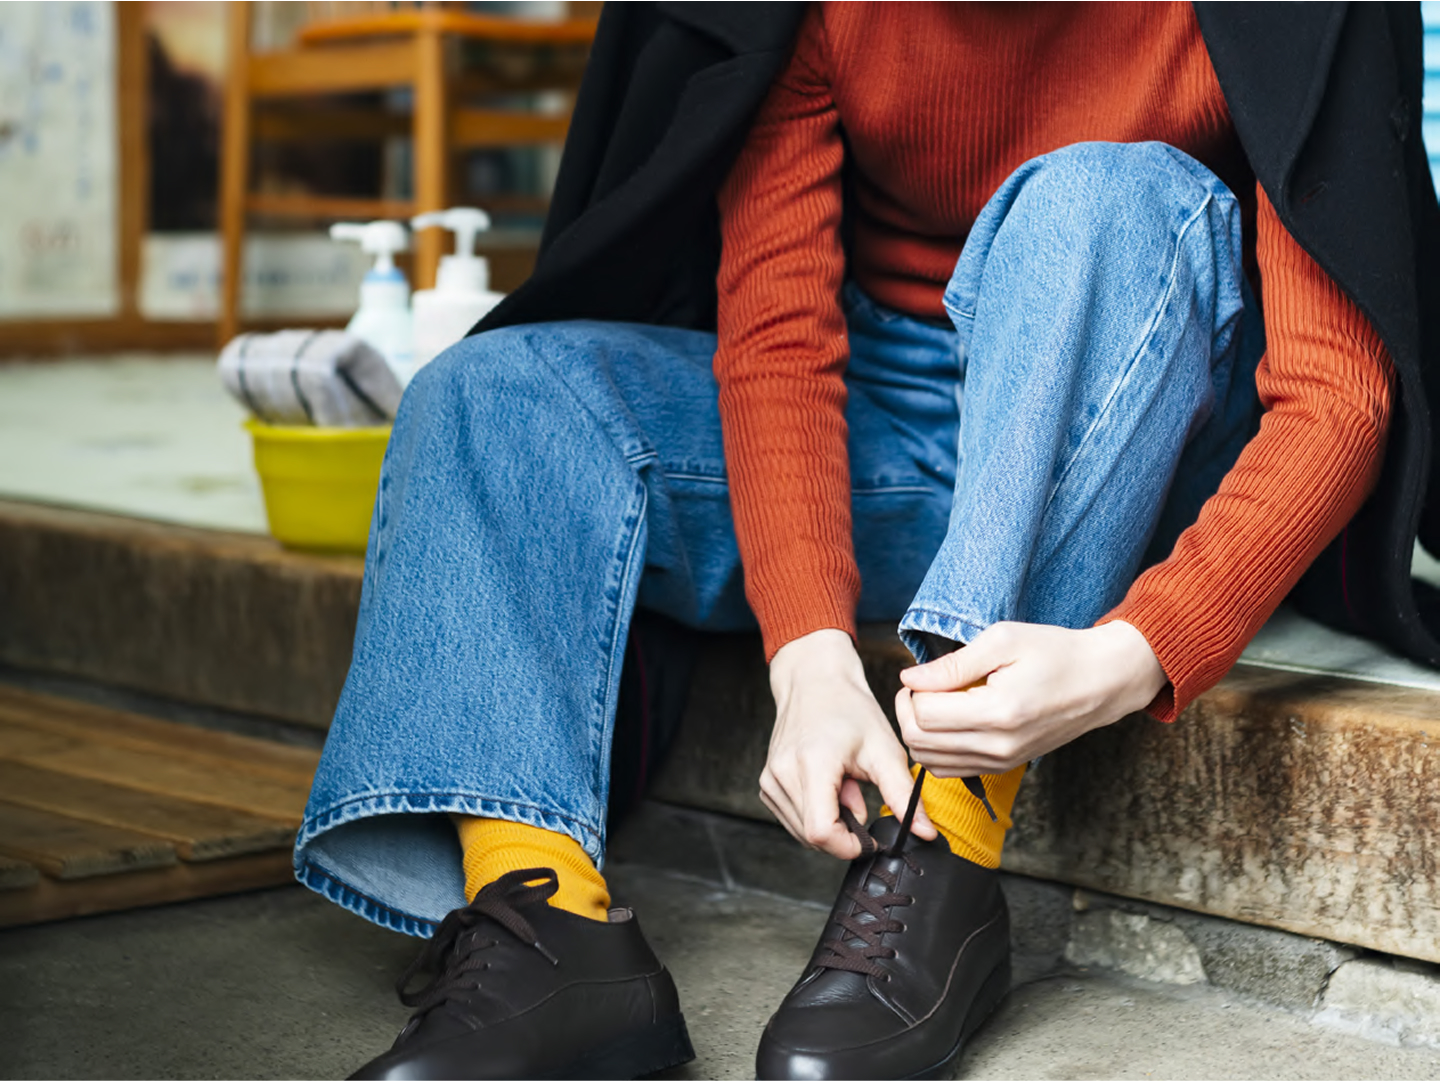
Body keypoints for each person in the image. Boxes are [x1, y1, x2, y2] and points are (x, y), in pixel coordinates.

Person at [294, 4, 1440, 1079]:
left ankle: (943, 843)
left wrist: (1137, 650)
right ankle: (550, 930)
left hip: (1137, 404)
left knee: (1099, 196)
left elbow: (1336, 393)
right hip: (881, 415)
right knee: (491, 396)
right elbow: (781, 338)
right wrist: (809, 654)